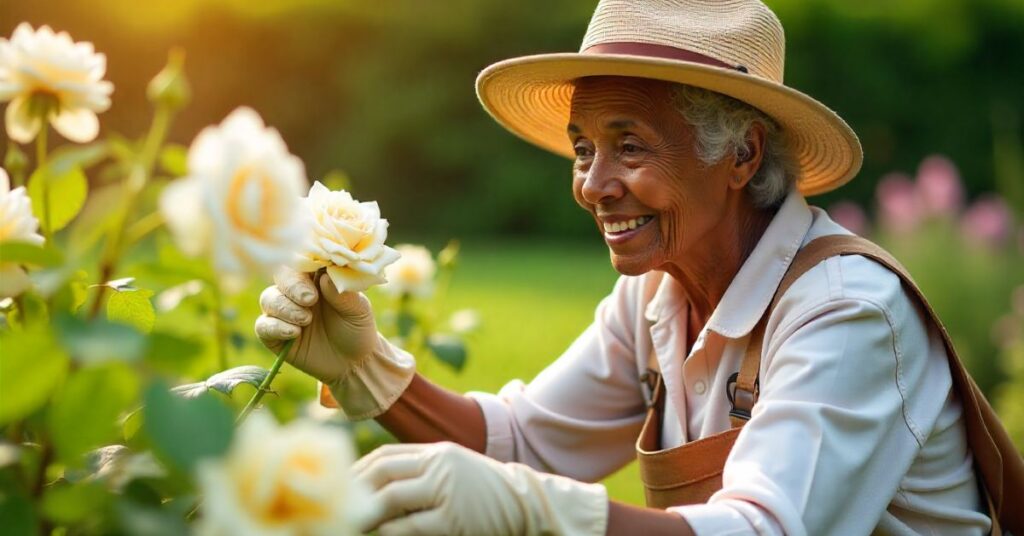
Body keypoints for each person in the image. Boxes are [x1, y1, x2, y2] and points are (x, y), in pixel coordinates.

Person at [254, 1, 996, 534]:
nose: (592, 184)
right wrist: (368, 370)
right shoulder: (653, 294)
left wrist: (543, 513)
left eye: (630, 145)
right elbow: (527, 440)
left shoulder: (845, 309)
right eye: (583, 148)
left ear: (742, 155)